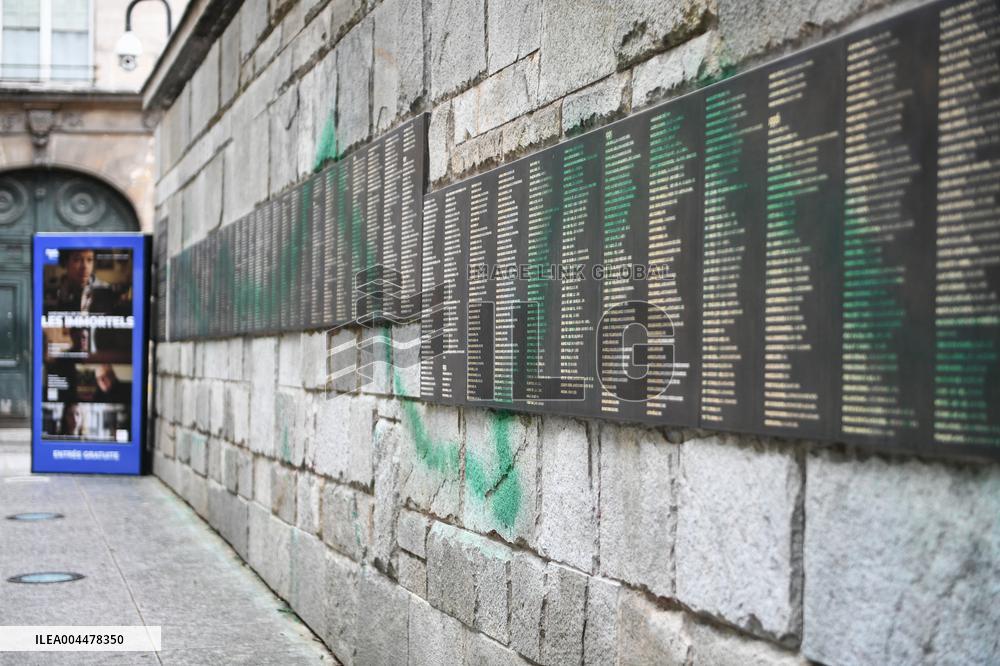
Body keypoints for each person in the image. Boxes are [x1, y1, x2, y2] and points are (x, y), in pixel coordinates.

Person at [50, 249, 117, 313]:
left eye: (90, 260)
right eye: (77, 260)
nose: (85, 266)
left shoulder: (106, 291)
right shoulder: (53, 290)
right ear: (66, 262)